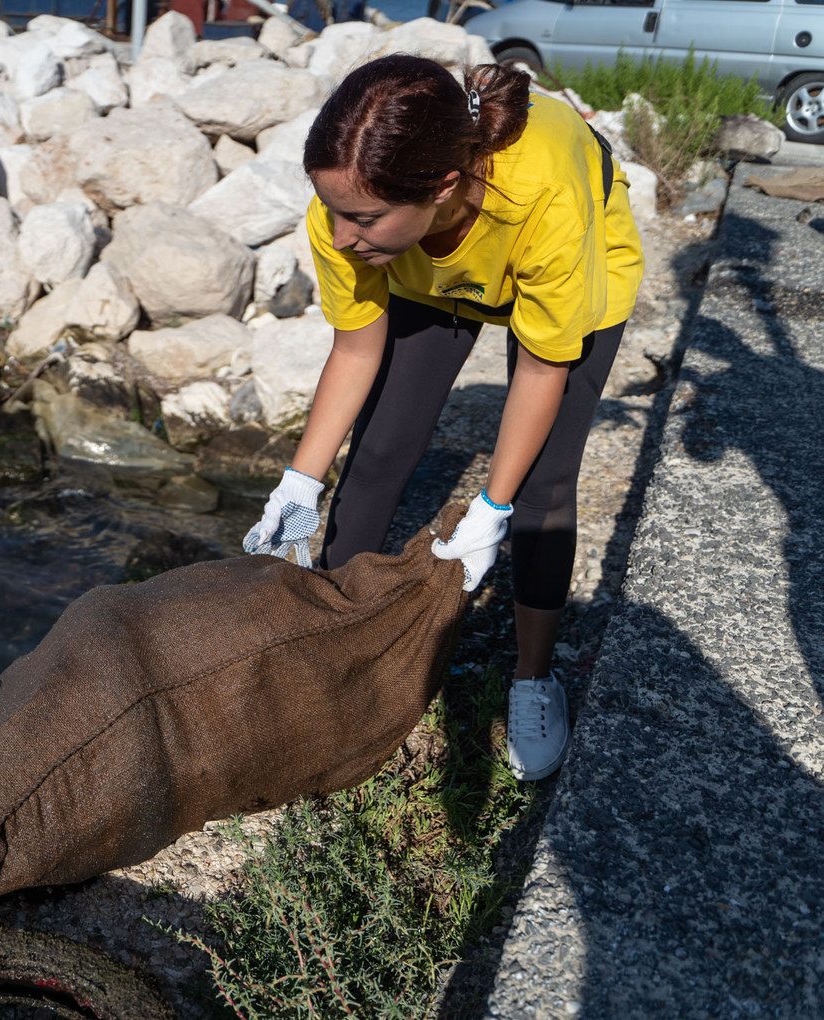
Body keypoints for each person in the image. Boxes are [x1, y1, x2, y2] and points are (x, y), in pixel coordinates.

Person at [244, 55, 643, 782]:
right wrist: (298, 482)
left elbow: (542, 367)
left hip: (565, 252)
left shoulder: (545, 196)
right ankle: (329, 653)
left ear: (444, 184)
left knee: (544, 487)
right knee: (380, 450)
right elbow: (357, 352)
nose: (337, 236)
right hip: (430, 265)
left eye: (360, 219)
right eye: (332, 210)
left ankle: (532, 676)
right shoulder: (354, 212)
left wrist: (492, 505)